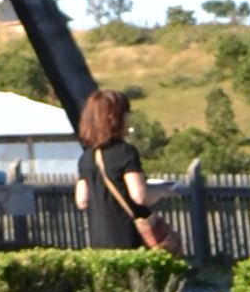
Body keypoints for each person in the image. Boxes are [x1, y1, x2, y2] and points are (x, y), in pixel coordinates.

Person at [74, 87, 177, 255]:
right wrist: (164, 191)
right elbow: (139, 195)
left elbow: (82, 200)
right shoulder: (125, 152)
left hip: (99, 240)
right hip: (128, 237)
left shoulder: (86, 158)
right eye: (126, 113)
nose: (129, 117)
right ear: (115, 117)